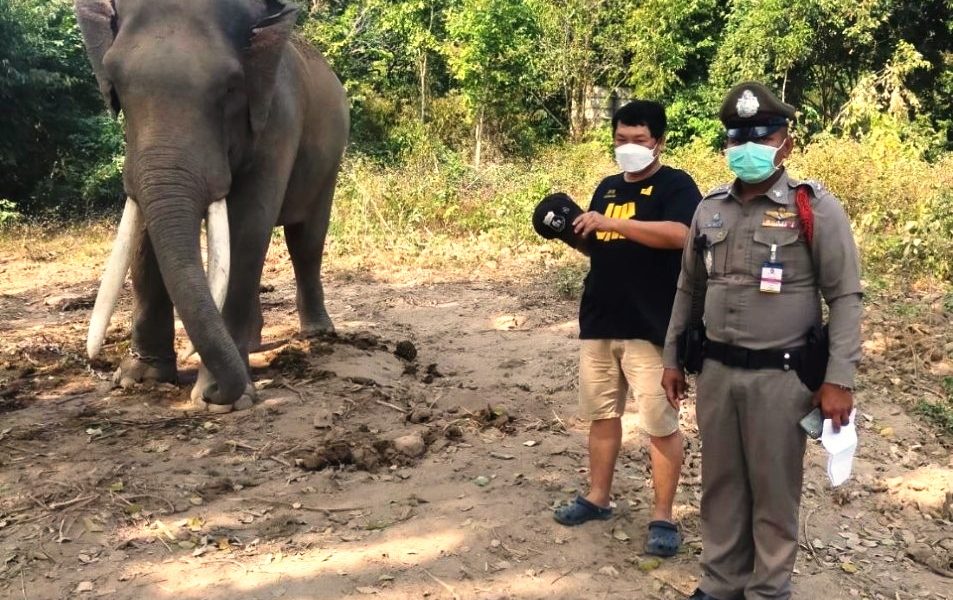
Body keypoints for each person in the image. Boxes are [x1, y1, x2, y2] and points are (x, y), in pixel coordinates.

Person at [661, 82, 862, 600]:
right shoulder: (709, 210)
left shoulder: (812, 207)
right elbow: (688, 287)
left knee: (774, 490)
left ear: (785, 144)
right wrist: (671, 358)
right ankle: (720, 582)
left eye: (762, 136)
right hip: (718, 375)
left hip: (782, 377)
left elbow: (844, 296)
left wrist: (839, 379)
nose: (747, 147)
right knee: (721, 486)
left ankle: (768, 589)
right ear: (726, 145)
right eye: (737, 138)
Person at [553, 100, 702, 559]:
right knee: (601, 415)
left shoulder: (676, 185)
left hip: (651, 325)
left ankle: (663, 515)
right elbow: (602, 247)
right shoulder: (608, 188)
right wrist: (573, 232)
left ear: (658, 140)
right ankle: (598, 497)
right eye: (621, 140)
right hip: (601, 320)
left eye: (638, 140)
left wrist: (615, 222)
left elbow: (682, 235)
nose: (628, 148)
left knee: (660, 425)